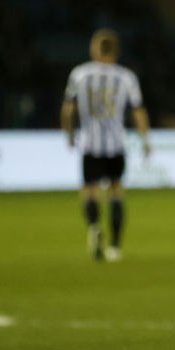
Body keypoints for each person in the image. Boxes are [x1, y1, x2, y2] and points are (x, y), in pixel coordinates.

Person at [61, 28, 151, 262]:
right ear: (116, 51)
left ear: (95, 49)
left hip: (90, 144)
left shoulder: (79, 75)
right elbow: (138, 110)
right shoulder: (127, 77)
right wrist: (145, 139)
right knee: (116, 192)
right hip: (115, 144)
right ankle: (115, 246)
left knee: (90, 191)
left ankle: (93, 226)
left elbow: (67, 110)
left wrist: (70, 135)